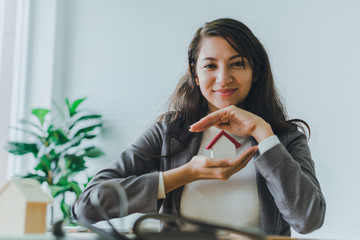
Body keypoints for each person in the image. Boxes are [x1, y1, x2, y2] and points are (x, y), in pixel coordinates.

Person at [72, 18, 326, 236]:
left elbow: (308, 220)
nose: (223, 78)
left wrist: (264, 133)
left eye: (237, 63)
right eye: (210, 65)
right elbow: (86, 205)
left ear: (255, 72)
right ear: (195, 74)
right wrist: (185, 174)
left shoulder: (285, 139)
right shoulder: (169, 132)